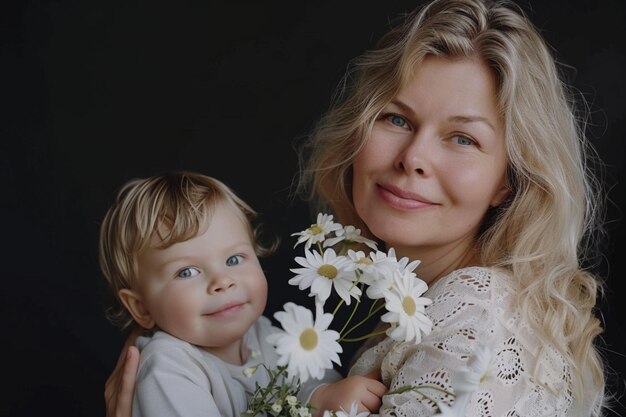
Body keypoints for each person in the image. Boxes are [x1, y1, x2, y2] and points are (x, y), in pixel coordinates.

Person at [105, 0, 609, 415]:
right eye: (396, 119)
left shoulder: (474, 317)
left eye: (462, 138)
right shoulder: (420, 310)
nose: (413, 158)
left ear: (509, 181)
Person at [99, 171, 387, 417]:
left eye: (234, 259)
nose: (222, 281)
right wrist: (314, 406)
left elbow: (311, 381)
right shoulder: (166, 367)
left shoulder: (265, 334)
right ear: (141, 308)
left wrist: (325, 395)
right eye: (186, 272)